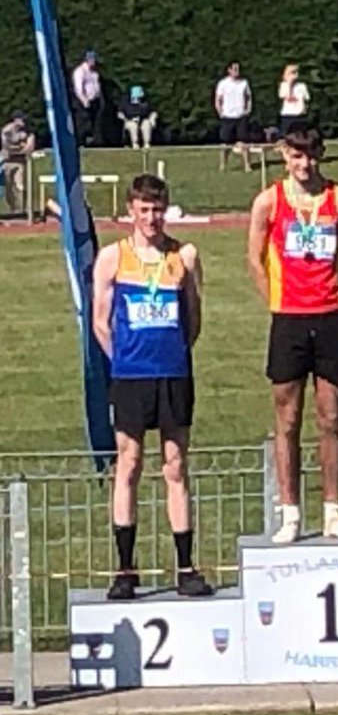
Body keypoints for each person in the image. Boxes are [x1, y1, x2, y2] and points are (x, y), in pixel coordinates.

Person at [92, 173, 212, 600]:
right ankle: (125, 569)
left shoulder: (183, 256)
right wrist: (123, 361)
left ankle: (186, 566)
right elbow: (100, 323)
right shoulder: (112, 258)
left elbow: (193, 318)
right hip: (130, 376)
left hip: (173, 373)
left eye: (157, 210)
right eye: (143, 210)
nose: (151, 218)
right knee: (129, 463)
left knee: (176, 465)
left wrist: (177, 352)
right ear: (130, 211)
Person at [248, 120, 338, 544]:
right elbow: (255, 260)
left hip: (331, 317)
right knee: (287, 419)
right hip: (289, 320)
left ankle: (333, 511)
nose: (304, 163)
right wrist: (278, 302)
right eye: (296, 155)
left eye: (311, 154)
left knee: (331, 418)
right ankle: (291, 512)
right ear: (284, 154)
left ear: (320, 154)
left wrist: (336, 294)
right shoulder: (268, 201)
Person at [214, 60, 252, 172]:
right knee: (225, 143)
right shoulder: (223, 83)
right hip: (227, 116)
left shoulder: (244, 83)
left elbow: (248, 97)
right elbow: (218, 99)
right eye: (234, 69)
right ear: (229, 70)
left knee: (244, 142)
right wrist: (220, 112)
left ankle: (247, 165)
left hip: (240, 116)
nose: (237, 71)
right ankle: (222, 165)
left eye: (238, 69)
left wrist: (248, 109)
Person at [0, 110, 35, 213]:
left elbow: (30, 148)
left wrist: (19, 149)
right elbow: (6, 146)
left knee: (20, 185)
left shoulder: (27, 131)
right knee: (9, 187)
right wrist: (21, 147)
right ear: (16, 120)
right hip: (7, 162)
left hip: (20, 162)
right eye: (21, 119)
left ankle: (22, 210)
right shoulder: (7, 130)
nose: (24, 121)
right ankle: (13, 209)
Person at [72, 50, 103, 146]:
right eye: (93, 60)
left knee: (95, 122)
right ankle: (81, 143)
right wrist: (84, 100)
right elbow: (78, 87)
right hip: (84, 101)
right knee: (83, 123)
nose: (94, 62)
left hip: (95, 101)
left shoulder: (94, 72)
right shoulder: (80, 71)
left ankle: (94, 142)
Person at [118, 86, 157, 150]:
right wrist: (126, 120)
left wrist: (152, 118)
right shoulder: (126, 104)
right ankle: (135, 143)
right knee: (133, 126)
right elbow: (120, 113)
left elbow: (153, 112)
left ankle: (146, 143)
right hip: (130, 121)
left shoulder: (145, 103)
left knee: (146, 123)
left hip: (143, 120)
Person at [278, 63, 310, 136]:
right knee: (286, 135)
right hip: (288, 114)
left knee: (301, 135)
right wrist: (290, 83)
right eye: (293, 73)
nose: (296, 75)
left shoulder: (302, 86)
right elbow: (287, 97)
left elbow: (307, 99)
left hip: (300, 114)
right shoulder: (284, 85)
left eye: (296, 72)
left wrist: (305, 109)